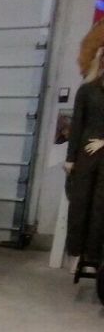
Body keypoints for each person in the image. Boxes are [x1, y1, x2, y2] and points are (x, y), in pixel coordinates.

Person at [65, 21, 104, 274]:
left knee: (101, 206)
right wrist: (70, 159)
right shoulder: (87, 91)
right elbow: (76, 125)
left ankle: (95, 254)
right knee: (79, 204)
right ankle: (76, 252)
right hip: (85, 157)